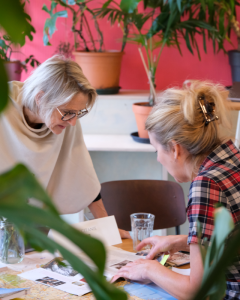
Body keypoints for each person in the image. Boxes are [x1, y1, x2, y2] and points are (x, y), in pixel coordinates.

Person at [112, 81, 240, 299]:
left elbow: (197, 290)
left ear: (175, 149)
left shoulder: (206, 185)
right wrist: (183, 241)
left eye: (156, 150)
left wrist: (149, 269)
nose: (158, 159)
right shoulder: (232, 156)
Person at [0, 55, 130, 238]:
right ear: (40, 98)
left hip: (38, 223)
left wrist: (108, 229)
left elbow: (83, 176)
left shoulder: (64, 119)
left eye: (79, 113)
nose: (73, 123)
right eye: (69, 113)